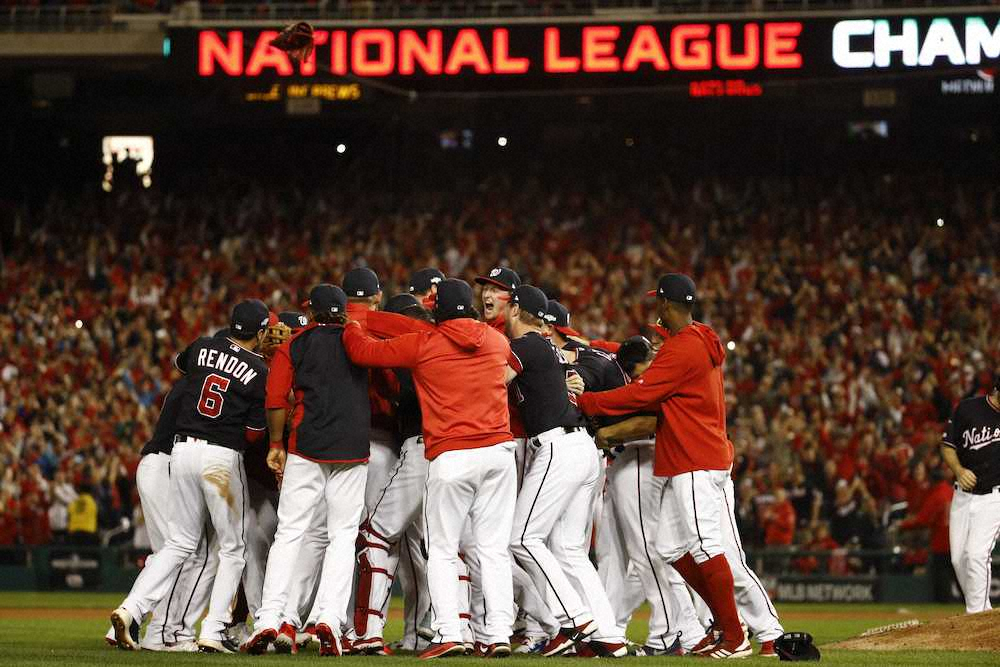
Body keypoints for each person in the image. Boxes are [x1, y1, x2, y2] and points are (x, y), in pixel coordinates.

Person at [342, 278, 519, 659]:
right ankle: (498, 633)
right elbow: (515, 367)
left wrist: (355, 319)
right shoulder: (495, 341)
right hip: (499, 454)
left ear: (437, 313)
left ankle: (449, 632)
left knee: (441, 548)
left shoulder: (426, 343)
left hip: (451, 454)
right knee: (492, 550)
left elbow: (360, 351)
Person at [577, 274, 751, 659]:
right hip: (691, 457)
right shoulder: (699, 337)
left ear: (667, 305)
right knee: (670, 546)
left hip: (695, 458)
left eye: (658, 301)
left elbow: (641, 394)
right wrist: (591, 345)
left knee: (705, 544)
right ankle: (725, 625)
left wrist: (588, 402)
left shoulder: (683, 347)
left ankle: (734, 635)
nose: (656, 307)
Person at [111, 299, 270, 653]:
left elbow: (181, 365)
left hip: (180, 452)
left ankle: (131, 608)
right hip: (220, 457)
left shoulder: (201, 347)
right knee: (232, 548)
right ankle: (212, 630)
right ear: (260, 333)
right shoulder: (259, 370)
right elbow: (254, 433)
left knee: (179, 543)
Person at [244, 285, 370, 656]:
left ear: (312, 312)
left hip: (306, 446)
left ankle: (269, 618)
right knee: (342, 536)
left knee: (289, 533)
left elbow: (275, 398)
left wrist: (276, 444)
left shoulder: (295, 344)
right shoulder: (358, 339)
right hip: (352, 448)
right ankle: (329, 617)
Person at [504, 285, 626, 657]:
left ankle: (575, 619)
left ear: (515, 310)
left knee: (523, 538)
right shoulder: (549, 347)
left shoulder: (527, 345)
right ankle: (609, 635)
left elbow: (493, 380)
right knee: (569, 549)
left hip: (558, 446)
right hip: (582, 448)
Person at [591, 336, 705, 655]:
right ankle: (616, 629)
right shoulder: (643, 377)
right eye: (650, 355)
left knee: (645, 550)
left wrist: (605, 431)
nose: (655, 358)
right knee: (627, 553)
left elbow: (650, 421)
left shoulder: (653, 381)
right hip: (634, 461)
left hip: (641, 458)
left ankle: (666, 633)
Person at [353, 293, 435, 654]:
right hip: (455, 453)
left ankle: (367, 631)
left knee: (376, 536)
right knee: (441, 548)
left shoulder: (414, 352)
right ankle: (453, 630)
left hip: (420, 450)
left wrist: (359, 324)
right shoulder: (451, 351)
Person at [941, 373, 1000, 614]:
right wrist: (958, 470)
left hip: (994, 497)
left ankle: (975, 616)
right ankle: (983, 614)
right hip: (963, 496)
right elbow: (948, 446)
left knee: (976, 555)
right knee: (959, 560)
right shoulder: (968, 409)